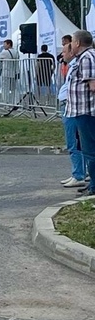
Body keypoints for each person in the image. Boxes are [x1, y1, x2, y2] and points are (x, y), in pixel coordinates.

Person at [64, 30, 95, 196]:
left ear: (77, 43)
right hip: (81, 110)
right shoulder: (83, 58)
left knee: (90, 151)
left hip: (86, 111)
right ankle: (92, 184)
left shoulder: (87, 57)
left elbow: (93, 85)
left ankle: (94, 186)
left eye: (73, 42)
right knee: (87, 149)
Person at [57, 36, 87, 188]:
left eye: (64, 51)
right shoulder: (72, 66)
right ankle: (81, 172)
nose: (62, 55)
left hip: (72, 107)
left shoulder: (77, 65)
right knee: (77, 142)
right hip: (68, 105)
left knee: (73, 142)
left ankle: (79, 174)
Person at [0, 38, 20, 106]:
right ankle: (14, 102)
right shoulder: (16, 52)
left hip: (6, 73)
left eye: (5, 44)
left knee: (5, 89)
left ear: (9, 44)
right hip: (14, 73)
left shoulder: (5, 52)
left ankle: (6, 103)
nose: (4, 46)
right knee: (14, 89)